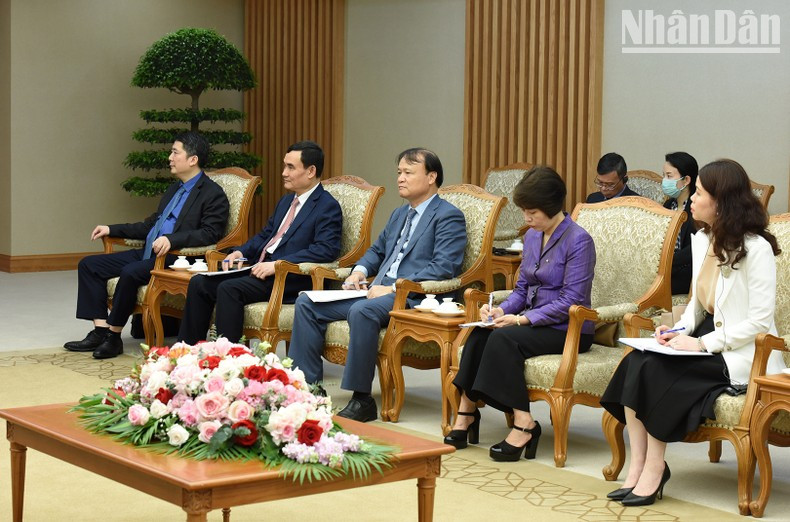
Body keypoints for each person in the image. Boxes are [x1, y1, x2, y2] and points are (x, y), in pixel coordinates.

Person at [600, 159, 787, 507]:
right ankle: (638, 466)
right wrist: (676, 331)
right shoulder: (703, 238)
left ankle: (655, 468)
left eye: (699, 193)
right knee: (636, 363)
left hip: (741, 351)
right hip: (704, 337)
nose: (691, 200)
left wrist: (701, 343)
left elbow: (759, 322)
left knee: (658, 371)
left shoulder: (757, 248)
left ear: (721, 201)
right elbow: (697, 307)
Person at [288, 148, 467, 421]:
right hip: (376, 291)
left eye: (408, 173)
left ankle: (362, 400)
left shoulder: (448, 216)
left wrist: (396, 287)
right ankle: (307, 390)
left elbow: (444, 267)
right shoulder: (399, 214)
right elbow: (377, 251)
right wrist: (358, 273)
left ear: (432, 177)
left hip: (414, 297)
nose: (400, 179)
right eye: (399, 173)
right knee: (306, 302)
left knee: (362, 311)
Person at [447, 166, 596, 462]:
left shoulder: (579, 240)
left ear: (552, 207)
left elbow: (572, 300)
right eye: (524, 211)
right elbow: (521, 289)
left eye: (532, 212)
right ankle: (466, 412)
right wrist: (501, 310)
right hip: (531, 323)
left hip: (568, 329)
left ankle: (524, 423)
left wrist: (521, 319)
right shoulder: (531, 237)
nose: (526, 219)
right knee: (479, 334)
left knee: (503, 339)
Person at [65, 131, 229, 359]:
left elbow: (211, 233)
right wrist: (112, 229)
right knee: (89, 265)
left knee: (130, 272)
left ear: (193, 159)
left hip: (177, 257)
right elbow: (150, 225)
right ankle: (100, 331)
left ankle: (114, 337)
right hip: (149, 251)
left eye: (175, 152)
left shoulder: (213, 194)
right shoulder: (174, 189)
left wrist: (173, 239)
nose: (169, 157)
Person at [177, 141, 342, 344]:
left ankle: (228, 359)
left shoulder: (327, 206)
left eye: (291, 167)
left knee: (229, 289)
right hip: (259, 269)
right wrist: (240, 252)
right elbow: (265, 236)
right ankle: (187, 351)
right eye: (285, 166)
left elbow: (325, 250)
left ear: (311, 171)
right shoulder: (286, 202)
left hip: (289, 277)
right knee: (199, 283)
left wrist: (277, 265)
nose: (283, 173)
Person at [662, 152, 698, 294]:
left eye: (669, 176)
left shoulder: (697, 208)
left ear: (686, 180)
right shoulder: (667, 205)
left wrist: (666, 261)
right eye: (663, 175)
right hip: (664, 270)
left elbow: (695, 248)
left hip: (686, 272)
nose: (664, 180)